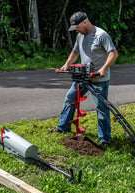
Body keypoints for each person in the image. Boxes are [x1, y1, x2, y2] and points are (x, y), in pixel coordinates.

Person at [50, 11, 118, 147]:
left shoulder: (101, 35)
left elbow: (113, 53)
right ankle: (63, 127)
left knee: (101, 107)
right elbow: (75, 52)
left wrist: (104, 69)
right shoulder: (80, 36)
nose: (76, 30)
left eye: (77, 27)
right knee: (70, 98)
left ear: (85, 23)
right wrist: (66, 65)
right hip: (82, 76)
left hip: (98, 78)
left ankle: (104, 139)